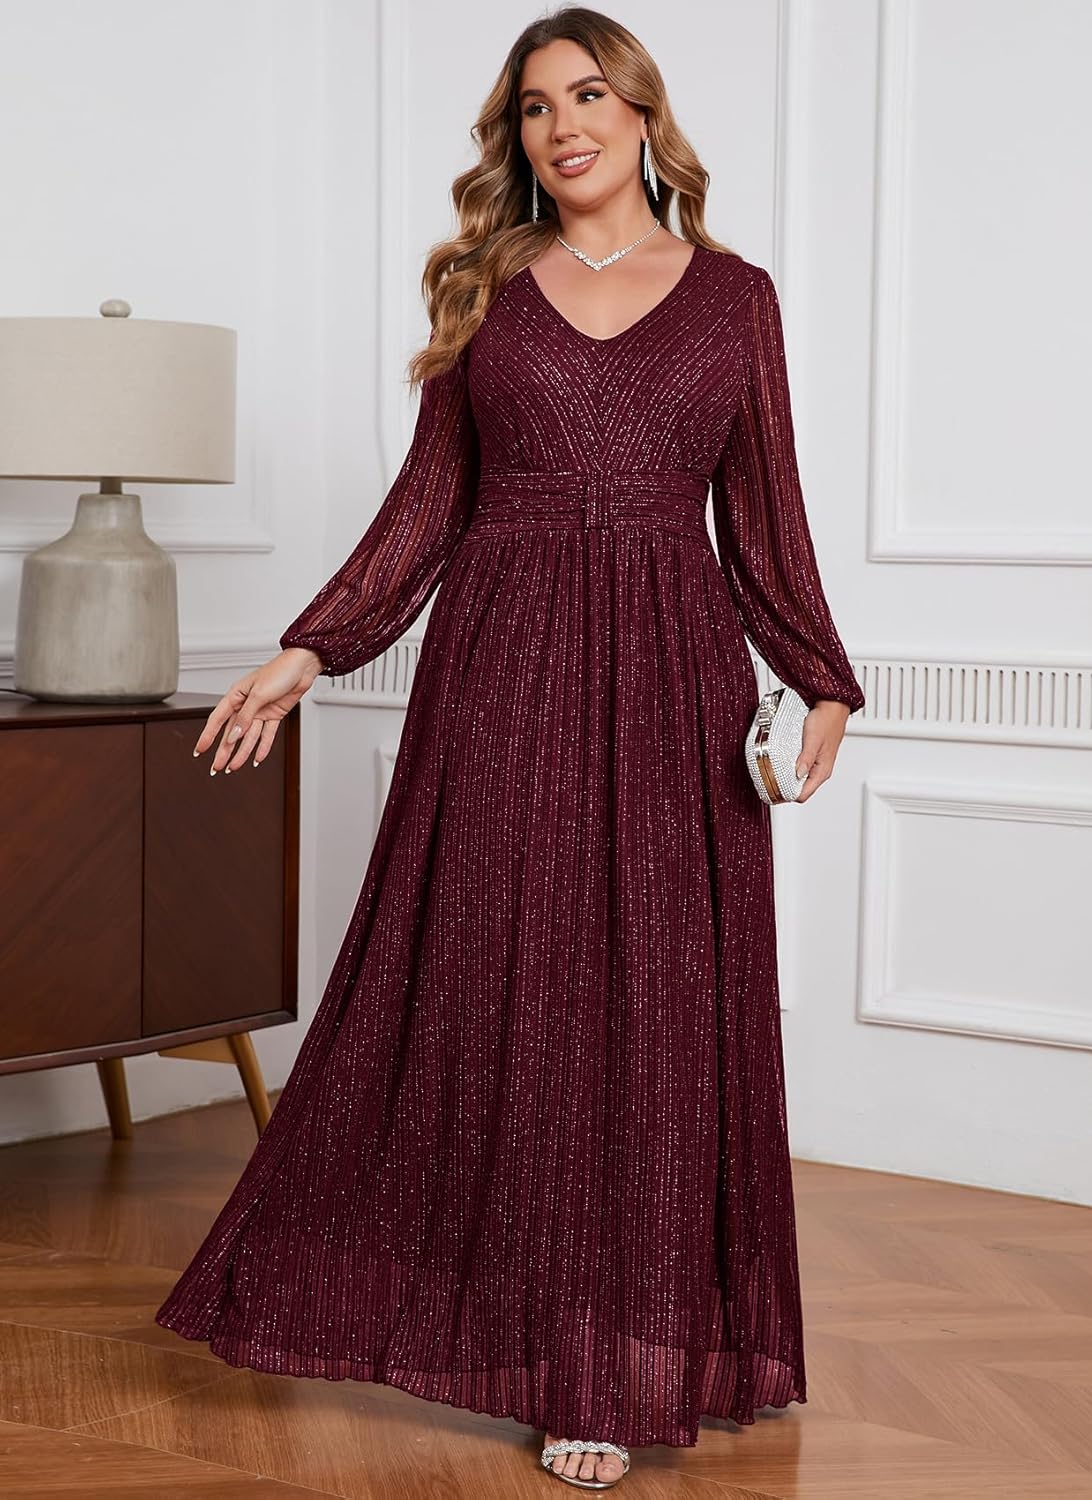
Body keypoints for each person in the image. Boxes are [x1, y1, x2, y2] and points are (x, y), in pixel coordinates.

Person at [154, 6, 865, 1491]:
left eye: (589, 95)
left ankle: (629, 1346)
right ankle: (551, 1354)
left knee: (653, 1015)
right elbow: (428, 502)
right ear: (516, 139)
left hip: (674, 680)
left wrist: (817, 676)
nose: (564, 126)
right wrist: (312, 647)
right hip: (501, 672)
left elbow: (766, 508)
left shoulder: (735, 298)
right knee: (518, 1002)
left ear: (642, 113)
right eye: (536, 107)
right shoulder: (484, 287)